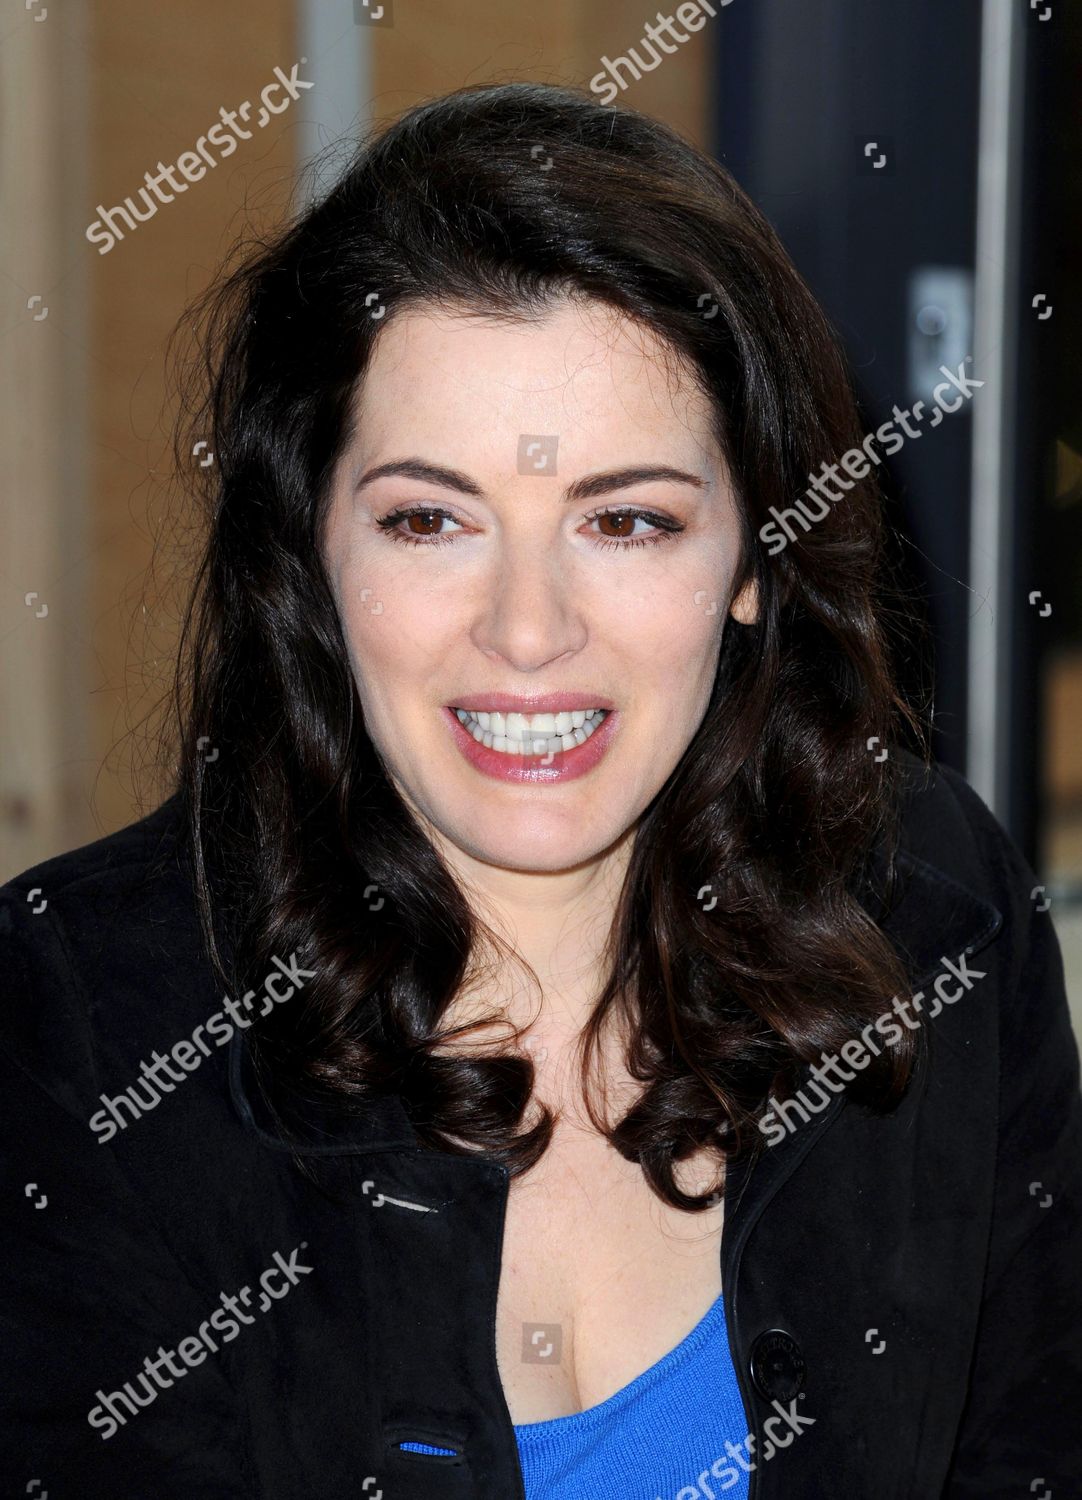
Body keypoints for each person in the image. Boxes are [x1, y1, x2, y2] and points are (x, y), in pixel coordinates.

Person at [2, 79, 1080, 1499]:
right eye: (429, 519)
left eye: (626, 519)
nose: (526, 629)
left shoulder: (932, 921)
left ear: (756, 559)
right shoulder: (83, 1020)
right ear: (311, 559)